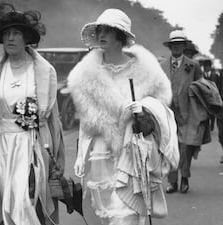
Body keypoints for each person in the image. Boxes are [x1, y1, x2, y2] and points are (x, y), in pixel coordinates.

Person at [69, 9, 179, 225]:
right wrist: (82, 154)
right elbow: (87, 121)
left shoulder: (146, 71)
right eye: (100, 29)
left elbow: (162, 106)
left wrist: (146, 108)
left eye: (109, 30)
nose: (103, 34)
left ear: (120, 35)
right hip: (101, 151)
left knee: (126, 216)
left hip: (133, 151)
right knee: (107, 215)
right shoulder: (85, 73)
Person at [0, 3, 65, 225]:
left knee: (28, 200)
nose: (11, 38)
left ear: (26, 38)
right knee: (7, 203)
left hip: (33, 144)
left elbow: (53, 119)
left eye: (16, 33)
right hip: (3, 147)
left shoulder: (44, 71)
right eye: (7, 34)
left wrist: (59, 156)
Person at [160, 30, 203, 194]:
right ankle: (172, 182)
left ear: (184, 46)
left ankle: (184, 178)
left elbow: (202, 87)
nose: (176, 47)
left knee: (186, 148)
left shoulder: (193, 65)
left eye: (179, 44)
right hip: (167, 114)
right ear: (170, 46)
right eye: (173, 44)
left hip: (188, 114)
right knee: (170, 147)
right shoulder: (162, 66)